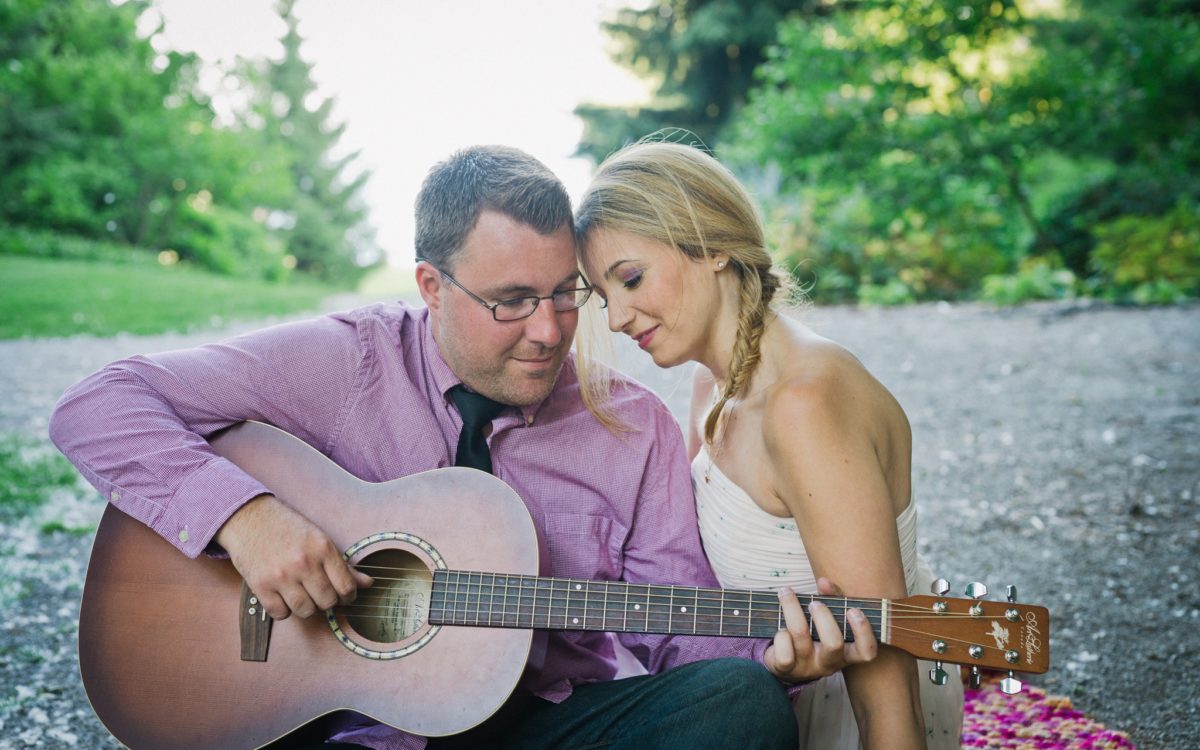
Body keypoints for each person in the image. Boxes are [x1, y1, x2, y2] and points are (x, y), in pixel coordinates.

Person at [49, 145, 880, 750]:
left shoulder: (631, 427)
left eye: (567, 295)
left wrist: (785, 657)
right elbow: (100, 404)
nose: (550, 331)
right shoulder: (344, 362)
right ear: (432, 287)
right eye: (512, 302)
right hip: (345, 734)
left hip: (541, 732)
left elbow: (684, 635)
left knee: (737, 703)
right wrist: (246, 515)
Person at [573, 140, 965, 750]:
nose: (618, 317)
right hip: (765, 695)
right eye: (603, 295)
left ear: (714, 247)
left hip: (846, 721)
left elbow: (886, 684)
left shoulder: (804, 407)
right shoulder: (711, 384)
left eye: (631, 278)